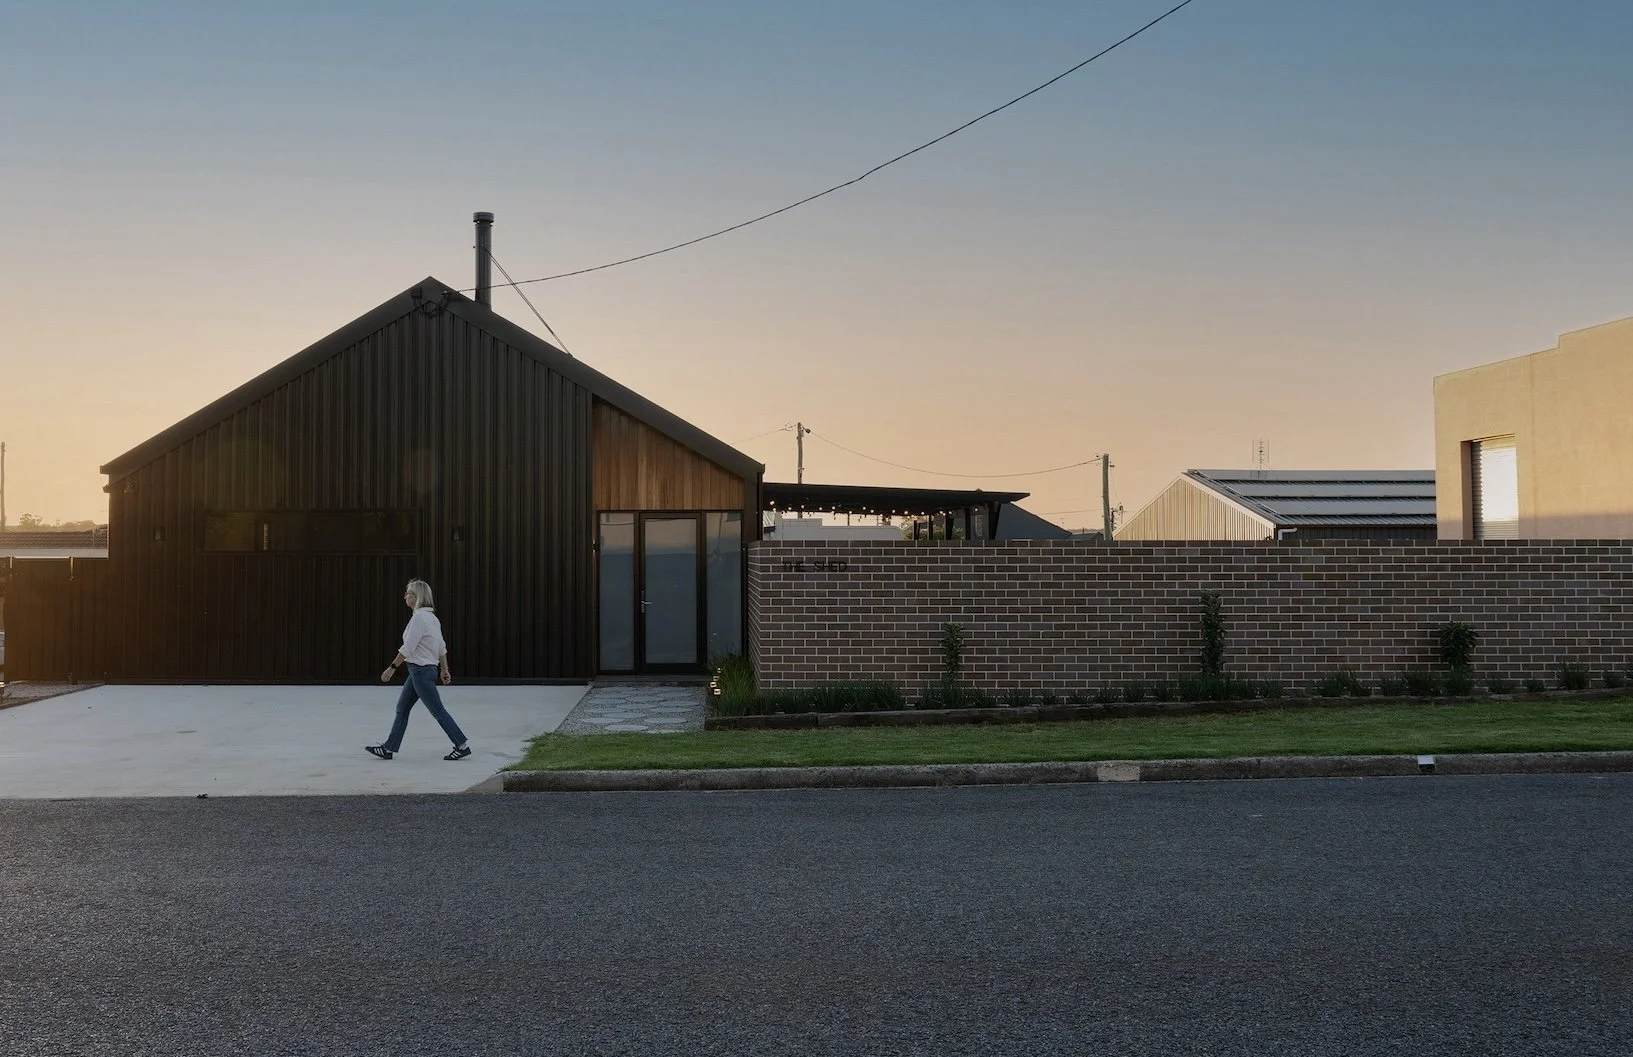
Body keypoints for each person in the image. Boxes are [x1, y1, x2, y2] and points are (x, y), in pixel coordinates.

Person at [366, 580, 471, 761]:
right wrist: (444, 669)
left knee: (438, 711)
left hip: (421, 672)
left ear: (416, 597)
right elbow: (441, 647)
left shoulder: (419, 619)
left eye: (408, 593)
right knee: (402, 709)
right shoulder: (431, 618)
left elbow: (408, 647)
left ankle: (461, 745)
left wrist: (391, 668)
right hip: (420, 672)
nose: (405, 596)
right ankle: (389, 748)